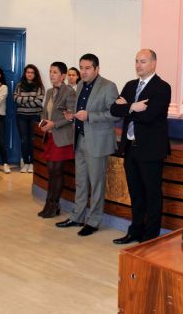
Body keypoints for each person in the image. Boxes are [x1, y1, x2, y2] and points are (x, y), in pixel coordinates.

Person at [110, 49, 171, 244]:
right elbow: (114, 109)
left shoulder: (162, 87)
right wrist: (133, 107)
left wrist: (127, 108)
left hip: (151, 150)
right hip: (130, 149)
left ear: (153, 63)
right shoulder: (130, 85)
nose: (138, 65)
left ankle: (150, 236)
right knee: (135, 193)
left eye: (142, 61)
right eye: (136, 61)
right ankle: (135, 231)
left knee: (152, 194)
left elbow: (150, 116)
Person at [55, 53, 118, 237]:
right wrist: (71, 115)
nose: (83, 72)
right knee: (81, 182)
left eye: (87, 68)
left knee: (96, 184)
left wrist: (90, 116)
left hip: (97, 142)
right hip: (80, 138)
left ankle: (94, 221)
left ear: (97, 69)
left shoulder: (108, 86)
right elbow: (80, 111)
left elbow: (115, 114)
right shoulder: (80, 85)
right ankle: (77, 216)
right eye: (81, 68)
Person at [37, 62, 76, 218]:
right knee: (51, 172)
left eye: (55, 72)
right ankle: (49, 203)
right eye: (50, 71)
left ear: (63, 76)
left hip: (61, 138)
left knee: (57, 172)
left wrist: (55, 124)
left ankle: (53, 205)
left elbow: (71, 115)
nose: (52, 75)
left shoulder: (69, 92)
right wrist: (43, 122)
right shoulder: (48, 91)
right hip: (50, 136)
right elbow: (44, 111)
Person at [13, 64, 45, 173]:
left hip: (35, 116)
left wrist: (24, 100)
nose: (30, 74)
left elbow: (39, 101)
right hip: (21, 116)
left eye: (32, 72)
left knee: (33, 140)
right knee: (24, 139)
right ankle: (26, 162)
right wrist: (31, 99)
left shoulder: (39, 86)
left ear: (35, 74)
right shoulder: (19, 85)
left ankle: (32, 163)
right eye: (28, 72)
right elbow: (16, 99)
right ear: (25, 73)